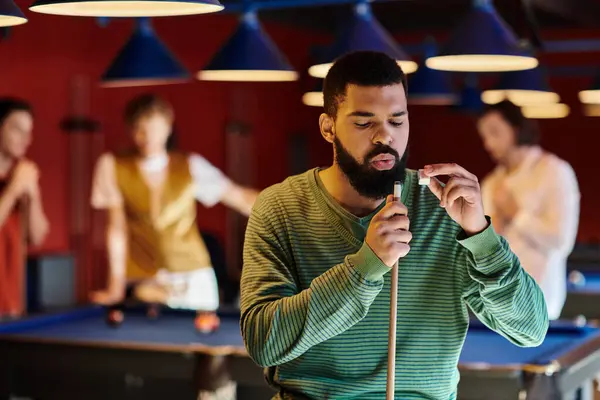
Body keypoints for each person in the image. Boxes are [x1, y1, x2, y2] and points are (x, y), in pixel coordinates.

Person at [240, 51, 548, 399]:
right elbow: (263, 342)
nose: (384, 137)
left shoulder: (444, 210)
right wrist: (366, 264)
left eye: (397, 121)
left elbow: (531, 329)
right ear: (328, 127)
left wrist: (481, 237)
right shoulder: (280, 207)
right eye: (364, 122)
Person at [90, 93, 258, 333]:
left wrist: (295, 207)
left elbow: (240, 198)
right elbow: (116, 228)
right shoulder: (112, 166)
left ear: (168, 127)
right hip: (147, 282)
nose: (148, 137)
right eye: (140, 130)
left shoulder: (190, 166)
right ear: (131, 130)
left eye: (155, 129)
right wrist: (115, 287)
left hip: (195, 279)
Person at [477, 100, 580, 320]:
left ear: (515, 129)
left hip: (541, 303)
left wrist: (517, 214)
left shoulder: (554, 171)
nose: (488, 143)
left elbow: (562, 241)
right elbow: (486, 249)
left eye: (494, 132)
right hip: (496, 304)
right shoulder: (490, 183)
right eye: (484, 136)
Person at [0, 98, 49, 319]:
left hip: (13, 307)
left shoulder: (21, 175)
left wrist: (33, 193)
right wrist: (13, 190)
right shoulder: (15, 182)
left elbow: (37, 236)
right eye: (17, 130)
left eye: (29, 132)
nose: (26, 139)